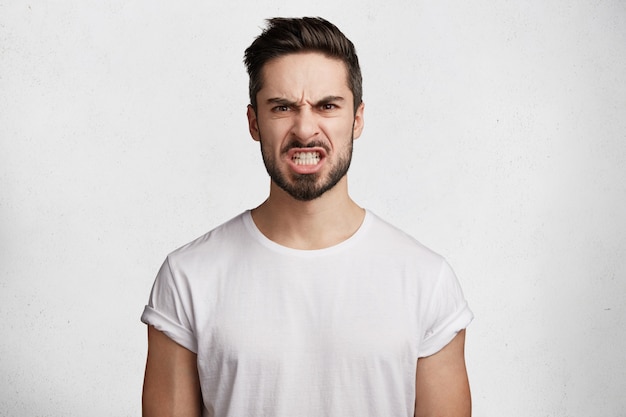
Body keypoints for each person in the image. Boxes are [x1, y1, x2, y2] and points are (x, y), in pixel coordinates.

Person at [141, 17, 473, 417]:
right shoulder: (188, 277)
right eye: (282, 107)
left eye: (327, 106)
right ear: (253, 123)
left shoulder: (427, 281)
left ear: (358, 118)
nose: (304, 129)